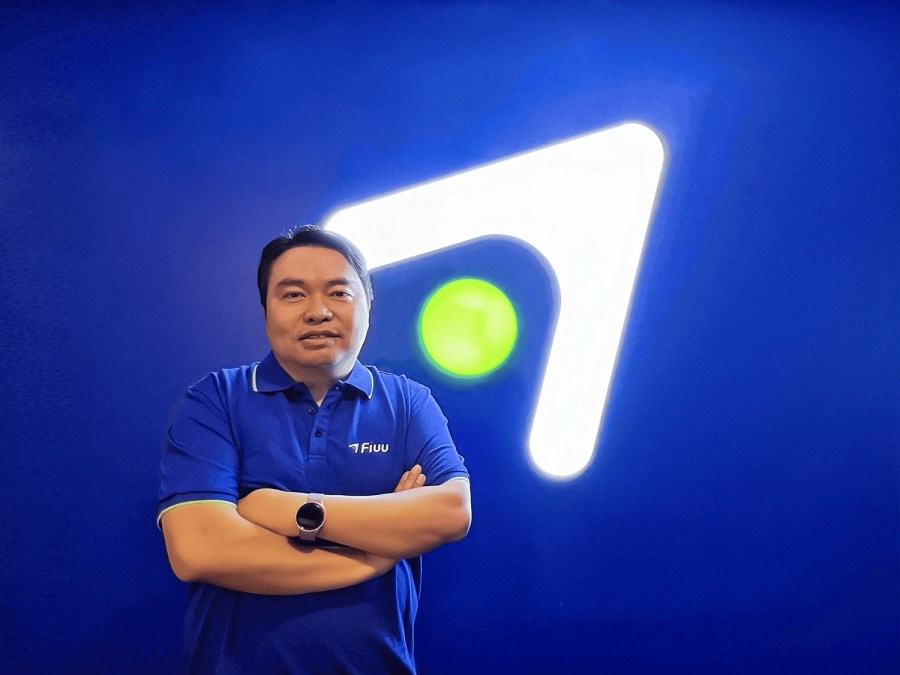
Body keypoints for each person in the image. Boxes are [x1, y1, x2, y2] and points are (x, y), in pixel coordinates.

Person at [157, 225, 472, 674]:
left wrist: (289, 510)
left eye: (339, 293)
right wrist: (373, 557)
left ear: (367, 305)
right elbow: (199, 550)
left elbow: (451, 512)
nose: (318, 312)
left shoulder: (407, 403)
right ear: (266, 308)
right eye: (293, 295)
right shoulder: (215, 400)